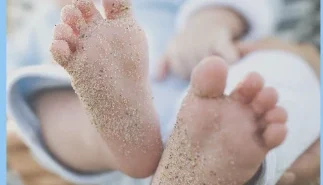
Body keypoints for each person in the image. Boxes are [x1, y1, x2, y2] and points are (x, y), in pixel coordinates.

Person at [7, 0, 319, 185]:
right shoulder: (42, 30)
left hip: (218, 82)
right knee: (40, 99)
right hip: (106, 125)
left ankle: (220, 160)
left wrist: (210, 20)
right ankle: (117, 133)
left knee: (283, 70)